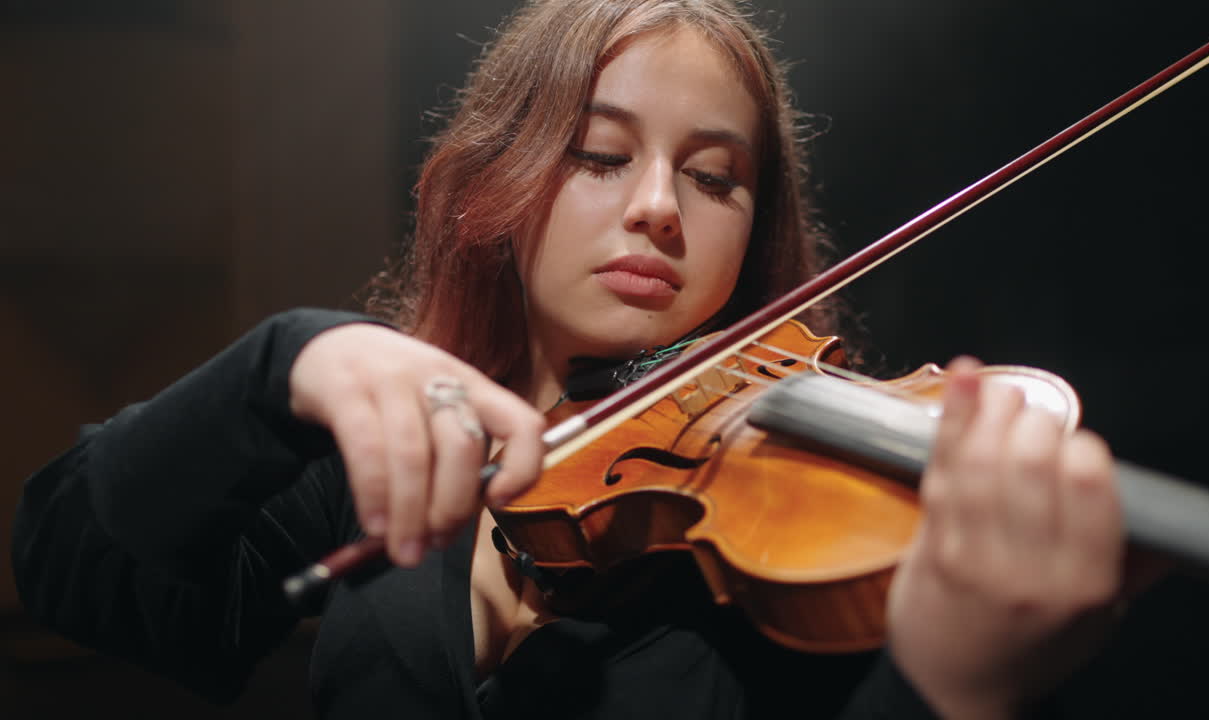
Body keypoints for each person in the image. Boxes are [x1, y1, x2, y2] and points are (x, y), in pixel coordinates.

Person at [11, 0, 1129, 717]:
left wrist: (943, 691)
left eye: (713, 177)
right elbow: (78, 573)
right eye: (599, 156)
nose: (658, 207)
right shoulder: (398, 458)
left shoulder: (796, 555)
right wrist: (285, 361)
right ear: (499, 180)